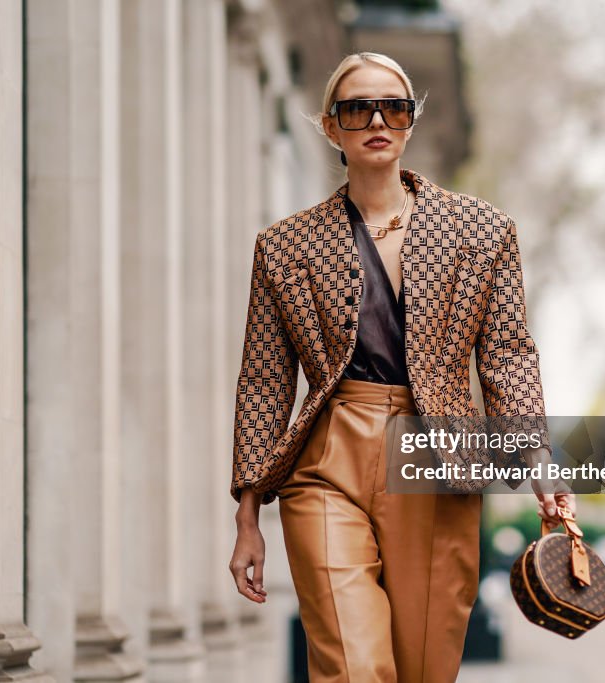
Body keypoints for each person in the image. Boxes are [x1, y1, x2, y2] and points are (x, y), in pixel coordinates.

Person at [228, 51, 574, 682]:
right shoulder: (284, 245)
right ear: (332, 127)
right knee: (355, 666)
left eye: (394, 106)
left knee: (423, 667)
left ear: (412, 120)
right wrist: (249, 511)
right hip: (327, 457)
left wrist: (539, 466)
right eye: (357, 108)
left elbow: (507, 354)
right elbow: (263, 378)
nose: (377, 120)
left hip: (436, 456)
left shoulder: (481, 230)